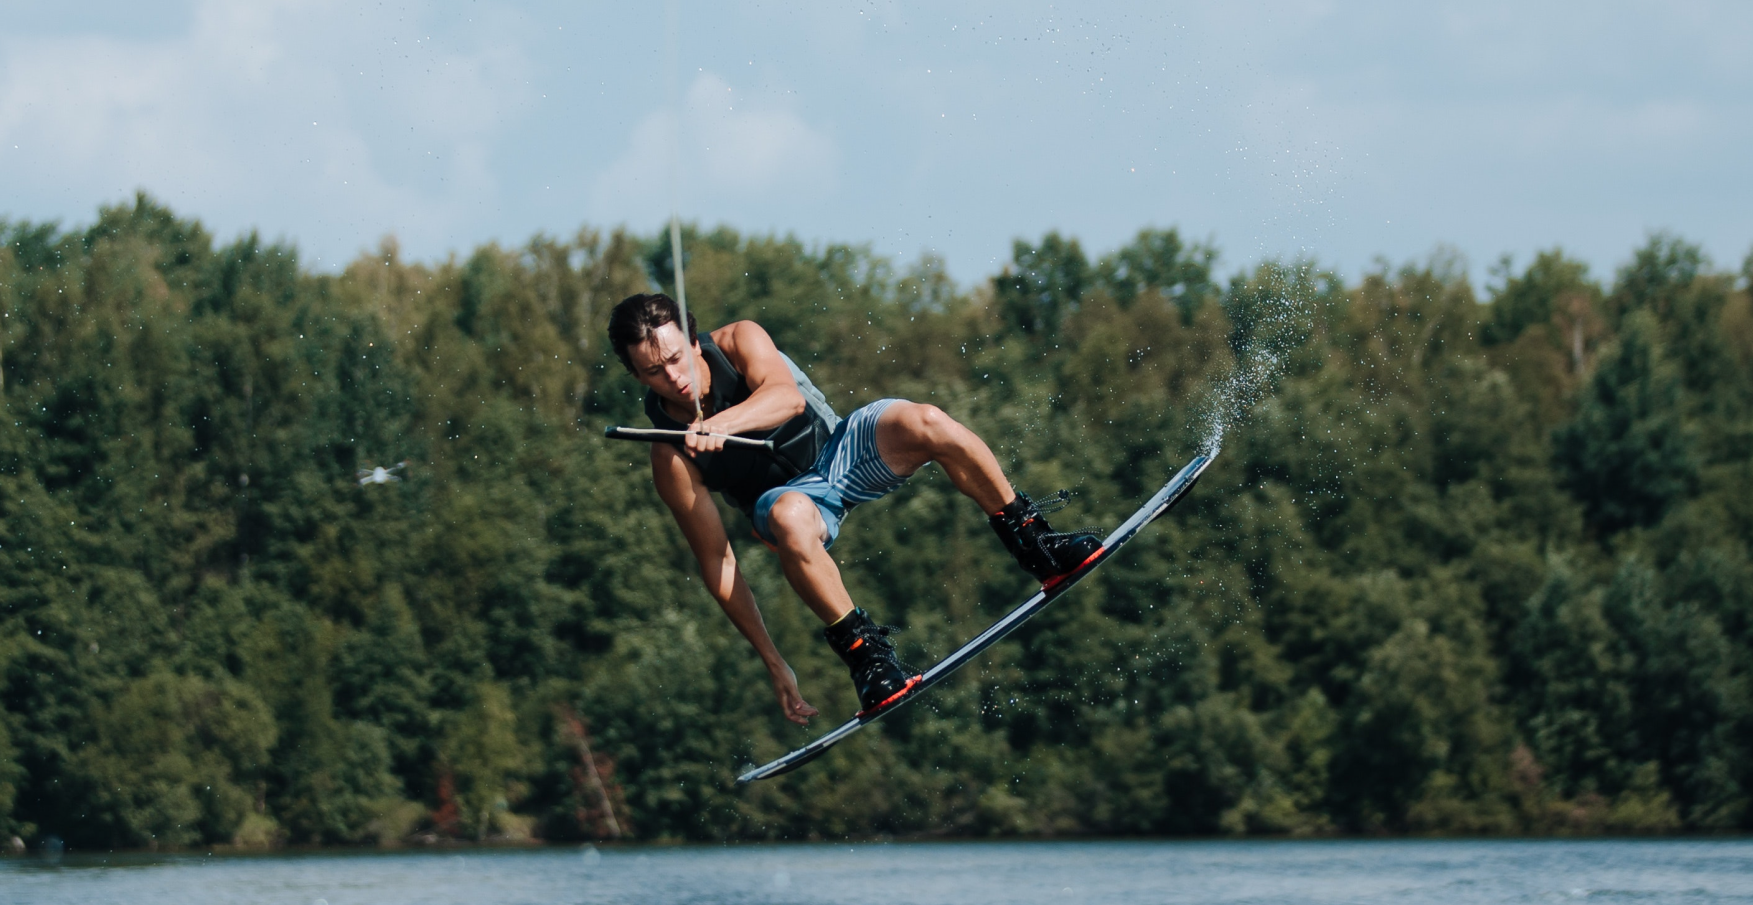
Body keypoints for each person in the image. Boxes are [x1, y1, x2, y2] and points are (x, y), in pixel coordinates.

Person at [607, 292, 1102, 723]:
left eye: (677, 357)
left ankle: (1035, 543)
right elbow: (720, 563)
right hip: (790, 504)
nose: (675, 377)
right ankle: (869, 658)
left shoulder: (740, 340)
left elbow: (786, 399)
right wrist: (775, 661)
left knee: (926, 420)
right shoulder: (669, 454)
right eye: (654, 371)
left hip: (842, 451)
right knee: (787, 518)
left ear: (694, 340)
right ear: (635, 375)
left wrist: (722, 425)